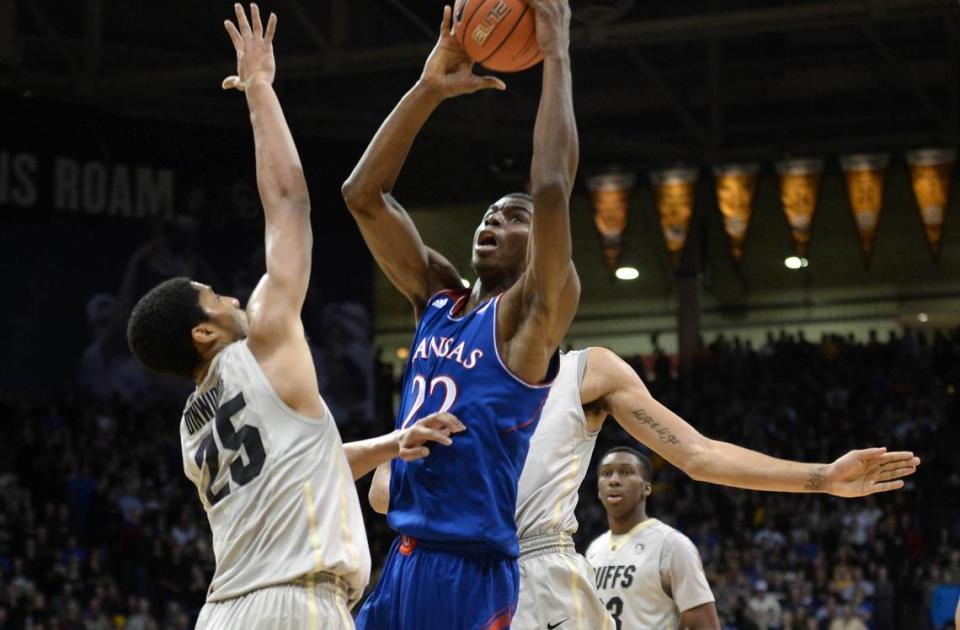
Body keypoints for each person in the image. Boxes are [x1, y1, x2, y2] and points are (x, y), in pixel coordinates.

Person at [125, 5, 463, 628]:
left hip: (224, 612)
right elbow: (289, 203)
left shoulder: (190, 429)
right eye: (213, 297)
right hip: (295, 604)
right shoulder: (261, 344)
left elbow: (307, 464)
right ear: (203, 333)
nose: (230, 297)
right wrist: (260, 88)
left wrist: (391, 444)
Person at [342, 0, 580, 626]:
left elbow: (553, 187)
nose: (494, 220)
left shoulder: (531, 315)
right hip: (403, 555)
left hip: (470, 569)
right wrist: (428, 89)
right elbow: (362, 196)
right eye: (490, 213)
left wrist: (555, 53)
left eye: (514, 217)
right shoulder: (438, 297)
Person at [497, 347, 920, 630]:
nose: (494, 219)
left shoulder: (584, 371)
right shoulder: (447, 368)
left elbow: (700, 455)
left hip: (534, 570)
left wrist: (822, 477)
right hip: (449, 558)